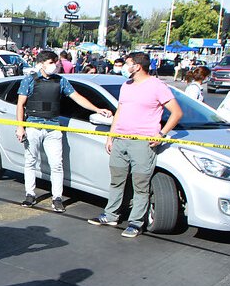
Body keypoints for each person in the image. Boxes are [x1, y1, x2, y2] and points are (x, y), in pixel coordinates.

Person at [88, 51, 182, 238]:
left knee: (140, 184)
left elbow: (177, 112)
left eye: (127, 63)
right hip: (120, 141)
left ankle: (135, 222)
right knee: (116, 181)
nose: (124, 66)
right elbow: (119, 112)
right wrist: (110, 137)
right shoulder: (126, 85)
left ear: (137, 66)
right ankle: (110, 215)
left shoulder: (157, 86)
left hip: (142, 143)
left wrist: (162, 134)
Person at [16, 50, 112, 212]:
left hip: (53, 127)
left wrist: (97, 109)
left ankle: (57, 197)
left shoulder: (61, 81)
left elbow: (77, 97)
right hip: (33, 126)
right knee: (30, 161)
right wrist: (20, 126)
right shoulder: (29, 81)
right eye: (51, 63)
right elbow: (21, 104)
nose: (55, 66)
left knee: (57, 164)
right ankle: (30, 194)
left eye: (56, 62)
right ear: (41, 64)